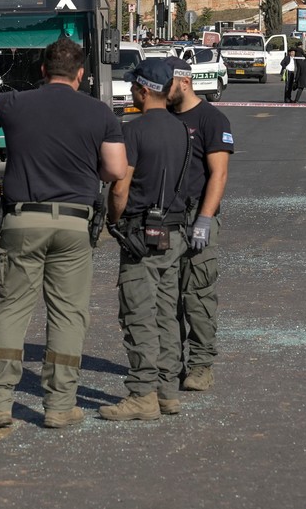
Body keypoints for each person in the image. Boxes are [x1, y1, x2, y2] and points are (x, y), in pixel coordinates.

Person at [0, 36, 126, 430]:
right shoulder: (100, 113)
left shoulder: (16, 103)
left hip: (23, 221)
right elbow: (114, 170)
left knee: (10, 310)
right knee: (68, 315)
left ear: (42, 71)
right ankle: (59, 406)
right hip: (75, 224)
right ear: (81, 73)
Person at [102, 58, 191, 422]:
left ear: (142, 89)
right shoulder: (182, 129)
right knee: (167, 314)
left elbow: (120, 186)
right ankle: (167, 392)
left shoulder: (134, 131)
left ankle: (142, 393)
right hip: (174, 230)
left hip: (140, 232)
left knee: (138, 313)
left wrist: (113, 220)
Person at [163, 57, 233, 393]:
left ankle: (201, 365)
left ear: (184, 82)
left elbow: (219, 173)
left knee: (198, 295)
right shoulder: (162, 117)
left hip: (195, 217)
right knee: (165, 297)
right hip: (164, 218)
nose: (162, 89)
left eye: (167, 83)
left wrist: (205, 218)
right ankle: (171, 364)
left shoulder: (211, 119)